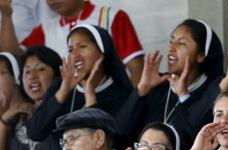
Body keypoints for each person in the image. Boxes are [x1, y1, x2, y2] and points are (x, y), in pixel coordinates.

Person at [26, 24, 132, 150]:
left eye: (82, 47)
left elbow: (110, 141)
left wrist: (90, 95)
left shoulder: (121, 94)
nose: (74, 55)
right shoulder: (61, 90)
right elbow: (35, 132)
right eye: (70, 49)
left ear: (102, 52)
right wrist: (64, 90)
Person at [116, 19, 223, 150]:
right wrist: (141, 90)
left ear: (201, 55)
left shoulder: (211, 92)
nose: (171, 48)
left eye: (181, 43)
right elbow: (120, 132)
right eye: (171, 41)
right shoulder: (157, 85)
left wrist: (184, 97)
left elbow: (196, 142)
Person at [0, 0, 144, 85]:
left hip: (112, 102)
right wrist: (6, 15)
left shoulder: (111, 16)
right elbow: (13, 58)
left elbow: (137, 68)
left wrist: (133, 108)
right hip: (66, 109)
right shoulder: (46, 29)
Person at [0, 47, 62, 150]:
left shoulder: (62, 114)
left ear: (57, 74)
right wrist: (5, 121)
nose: (32, 76)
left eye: (41, 69)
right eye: (27, 72)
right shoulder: (16, 119)